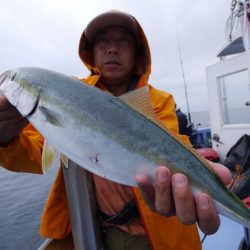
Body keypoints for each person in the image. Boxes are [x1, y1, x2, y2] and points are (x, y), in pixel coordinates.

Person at [0, 10, 231, 250]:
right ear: (91, 52)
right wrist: (4, 136)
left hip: (163, 236)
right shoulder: (67, 95)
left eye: (122, 40)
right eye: (103, 41)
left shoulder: (159, 101)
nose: (112, 49)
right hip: (101, 233)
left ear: (137, 52)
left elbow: (167, 150)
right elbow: (35, 153)